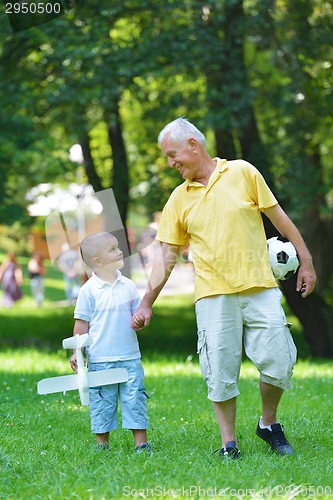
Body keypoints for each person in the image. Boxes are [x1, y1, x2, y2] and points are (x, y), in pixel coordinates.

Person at [131, 117, 316, 459]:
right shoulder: (178, 199)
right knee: (219, 371)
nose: (171, 163)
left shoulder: (243, 172)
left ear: (193, 145)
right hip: (213, 296)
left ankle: (268, 423)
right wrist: (146, 302)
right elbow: (165, 257)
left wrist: (305, 261)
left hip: (259, 286)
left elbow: (280, 219)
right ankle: (228, 443)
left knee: (279, 361)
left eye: (173, 154)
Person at [69, 232, 150, 453]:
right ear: (98, 262)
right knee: (103, 403)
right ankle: (102, 445)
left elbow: (138, 317)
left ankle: (141, 445)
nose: (120, 251)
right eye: (112, 249)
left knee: (135, 399)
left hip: (130, 357)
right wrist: (78, 352)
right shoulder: (89, 291)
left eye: (118, 247)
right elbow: (81, 325)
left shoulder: (128, 286)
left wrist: (139, 321)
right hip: (101, 358)